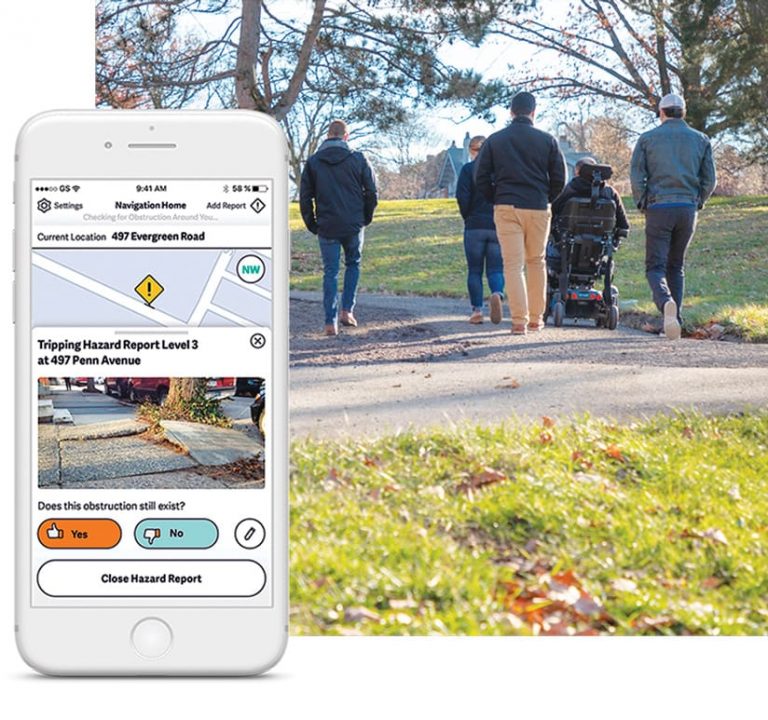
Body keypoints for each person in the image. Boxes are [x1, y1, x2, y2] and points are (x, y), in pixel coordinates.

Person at [475, 91, 566, 335]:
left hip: (507, 205)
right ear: (534, 112)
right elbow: (560, 178)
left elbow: (480, 176)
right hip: (537, 206)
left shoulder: (495, 140)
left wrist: (495, 197)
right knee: (537, 261)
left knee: (513, 265)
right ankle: (537, 318)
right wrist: (546, 198)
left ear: (511, 112)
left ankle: (519, 321)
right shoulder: (548, 141)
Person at [630, 93, 717, 340]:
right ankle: (674, 321)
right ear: (684, 112)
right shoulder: (701, 139)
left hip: (659, 207)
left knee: (655, 266)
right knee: (676, 265)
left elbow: (637, 176)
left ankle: (666, 302)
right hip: (687, 209)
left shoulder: (647, 139)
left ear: (662, 112)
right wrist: (698, 200)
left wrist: (643, 202)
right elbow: (710, 179)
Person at [300, 119, 378, 336]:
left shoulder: (314, 162)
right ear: (346, 136)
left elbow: (305, 197)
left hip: (327, 225)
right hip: (353, 224)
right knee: (353, 264)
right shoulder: (358, 158)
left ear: (327, 135)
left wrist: (312, 224)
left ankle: (329, 322)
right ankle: (347, 311)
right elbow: (372, 192)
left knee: (330, 272)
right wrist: (366, 217)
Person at [455, 135, 504, 324]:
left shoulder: (468, 170)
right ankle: (497, 294)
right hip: (496, 225)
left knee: (474, 270)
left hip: (474, 226)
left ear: (470, 150)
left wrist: (468, 216)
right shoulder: (499, 172)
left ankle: (477, 311)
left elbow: (462, 197)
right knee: (496, 268)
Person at [551, 157, 630, 231]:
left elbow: (551, 215)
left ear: (577, 172)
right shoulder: (610, 192)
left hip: (567, 241)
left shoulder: (565, 191)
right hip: (602, 241)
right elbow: (623, 225)